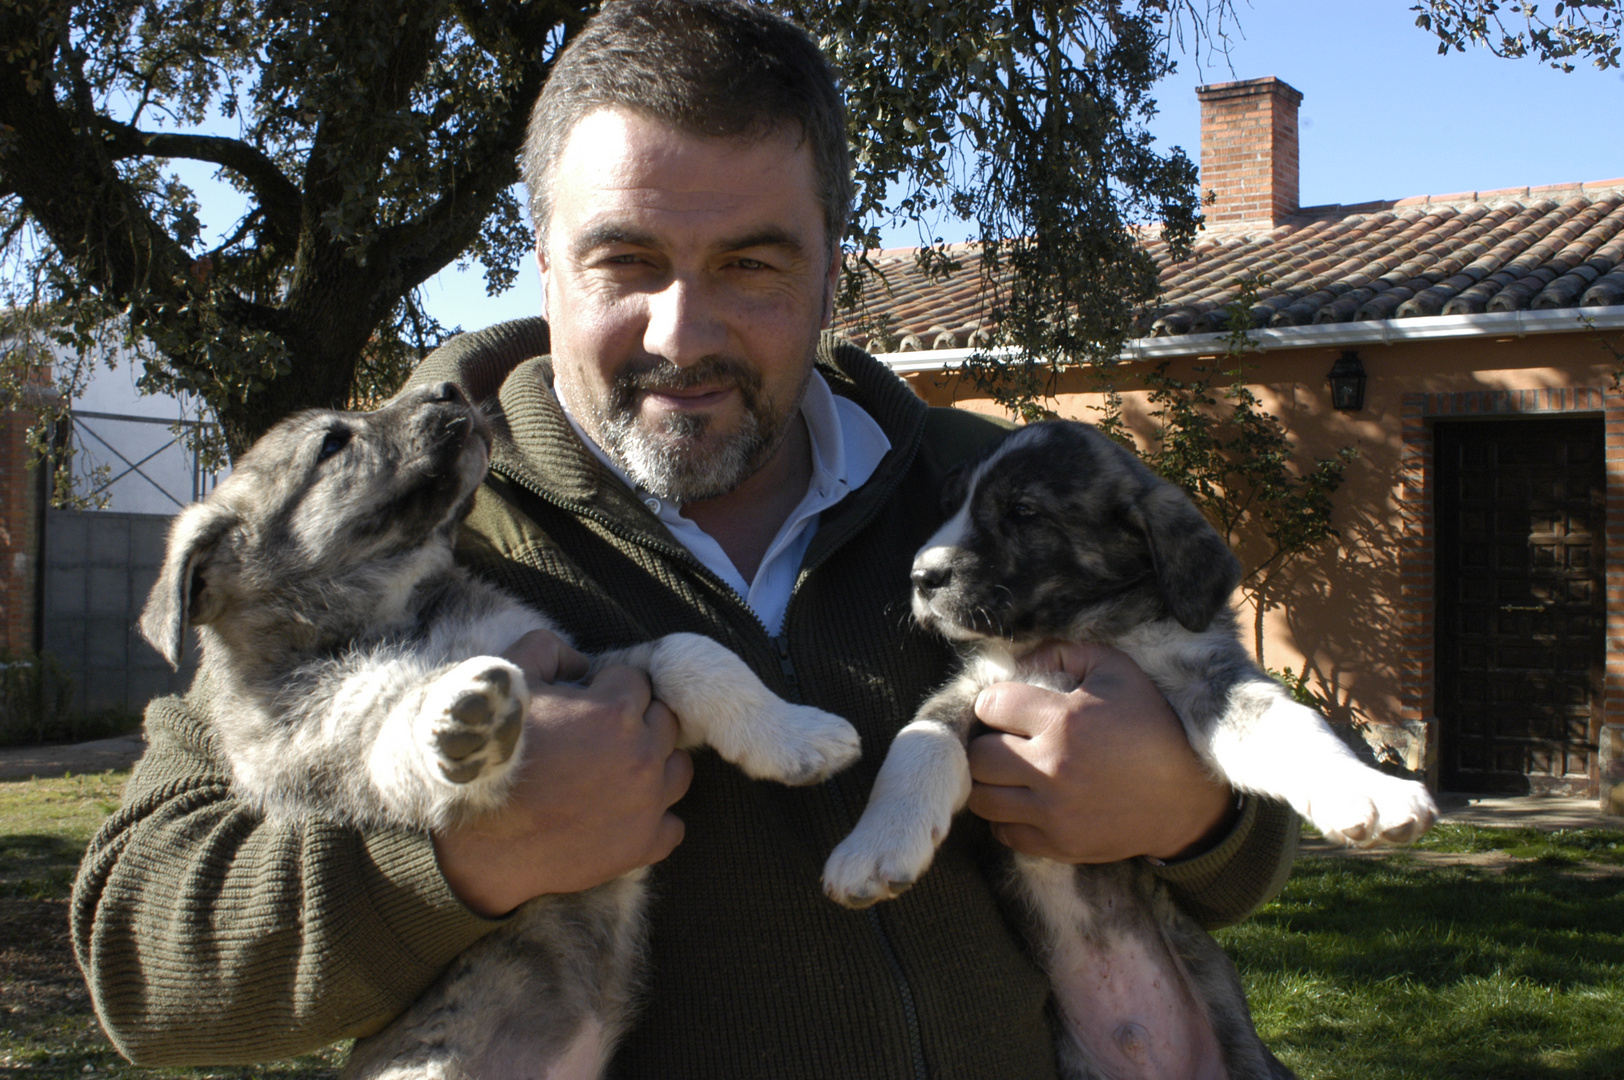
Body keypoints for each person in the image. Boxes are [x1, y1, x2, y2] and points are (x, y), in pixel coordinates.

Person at [72, 2, 1298, 1077]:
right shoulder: (377, 551)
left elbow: (1244, 842)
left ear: (832, 271)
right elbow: (141, 957)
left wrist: (1193, 805)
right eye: (627, 260)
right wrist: (460, 863)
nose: (682, 328)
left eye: (752, 265)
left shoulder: (990, 489)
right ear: (543, 259)